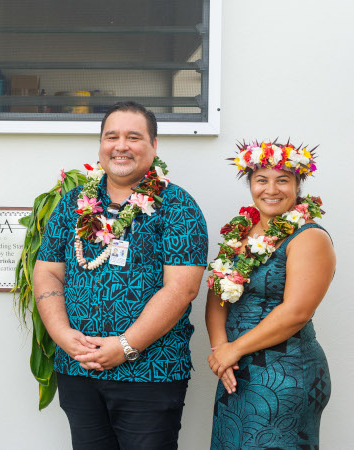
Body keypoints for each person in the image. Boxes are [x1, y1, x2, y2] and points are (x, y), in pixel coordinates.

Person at [33, 101, 208, 449]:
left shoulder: (177, 207)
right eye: (111, 136)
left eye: (134, 137)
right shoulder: (73, 205)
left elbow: (181, 289)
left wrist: (126, 347)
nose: (121, 145)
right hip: (79, 370)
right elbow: (48, 272)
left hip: (149, 373)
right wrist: (62, 334)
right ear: (100, 145)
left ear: (154, 146)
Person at [205, 141, 334, 449]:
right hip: (235, 370)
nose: (271, 189)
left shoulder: (309, 237)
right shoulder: (241, 233)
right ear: (250, 184)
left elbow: (296, 313)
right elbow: (217, 293)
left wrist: (233, 350)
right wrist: (221, 349)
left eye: (283, 180)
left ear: (298, 184)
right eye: (261, 180)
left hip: (286, 373)